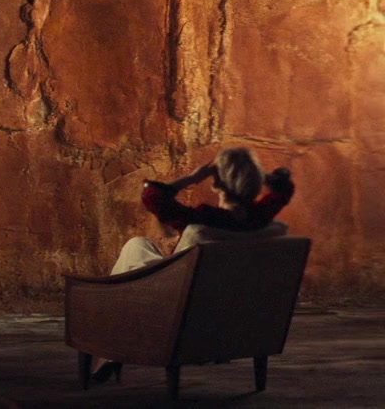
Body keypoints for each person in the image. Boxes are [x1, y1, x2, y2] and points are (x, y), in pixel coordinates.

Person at [92, 146, 296, 383]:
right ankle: (110, 350)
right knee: (140, 248)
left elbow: (152, 196)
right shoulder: (259, 219)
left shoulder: (203, 219)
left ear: (216, 183)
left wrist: (194, 177)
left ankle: (108, 350)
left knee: (136, 247)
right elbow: (284, 189)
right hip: (230, 313)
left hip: (180, 306)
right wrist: (256, 175)